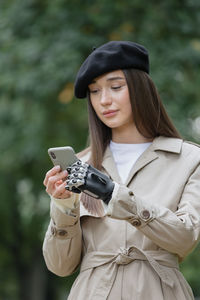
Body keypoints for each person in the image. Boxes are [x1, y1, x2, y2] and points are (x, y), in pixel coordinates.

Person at [43, 41, 200, 300]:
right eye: (94, 91)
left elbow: (184, 238)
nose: (104, 100)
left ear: (141, 88)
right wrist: (63, 206)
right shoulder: (81, 164)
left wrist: (112, 194)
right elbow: (60, 266)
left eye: (116, 87)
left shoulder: (188, 159)